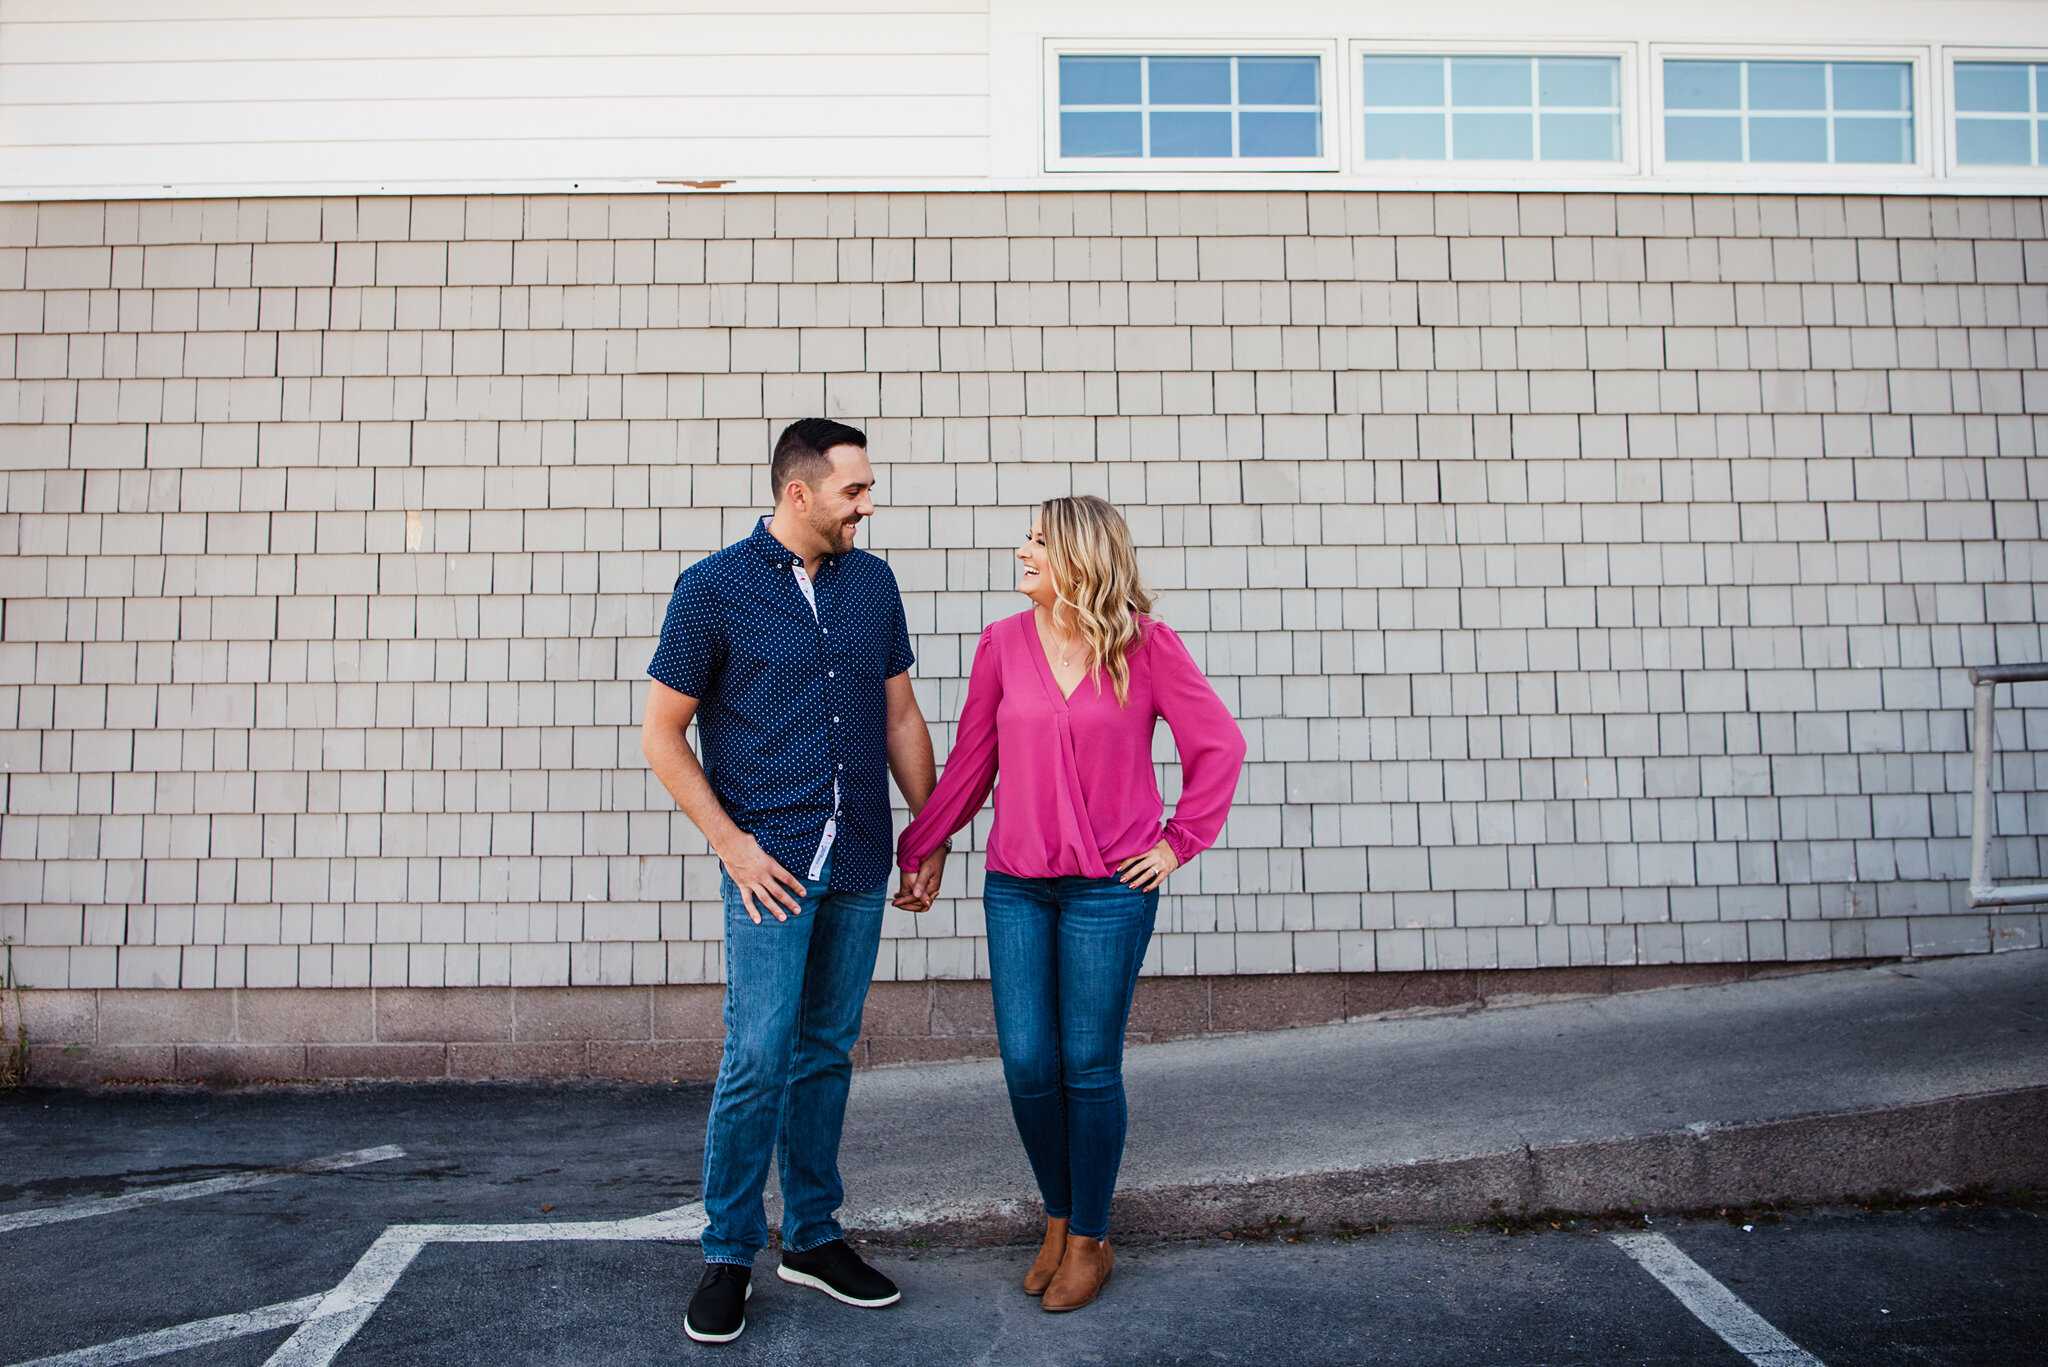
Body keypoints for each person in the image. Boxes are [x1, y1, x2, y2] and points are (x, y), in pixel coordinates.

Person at [893, 495, 1245, 1313]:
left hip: (1108, 891)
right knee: (1026, 1063)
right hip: (1017, 883)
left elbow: (1218, 744)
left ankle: (1089, 1235)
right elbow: (974, 765)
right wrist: (921, 846)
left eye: (1038, 540)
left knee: (1087, 1067)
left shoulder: (1145, 647)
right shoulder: (1003, 644)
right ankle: (1057, 1216)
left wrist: (1177, 840)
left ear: (1080, 556)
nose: (1022, 550)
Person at [642, 418, 941, 1345]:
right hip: (769, 866)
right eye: (855, 491)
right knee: (759, 1055)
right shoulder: (713, 590)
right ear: (798, 493)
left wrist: (927, 830)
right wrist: (731, 844)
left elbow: (898, 714)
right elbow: (662, 735)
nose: (869, 504)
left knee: (824, 1051)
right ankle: (729, 1248)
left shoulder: (873, 582)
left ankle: (811, 1235)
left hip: (857, 860)